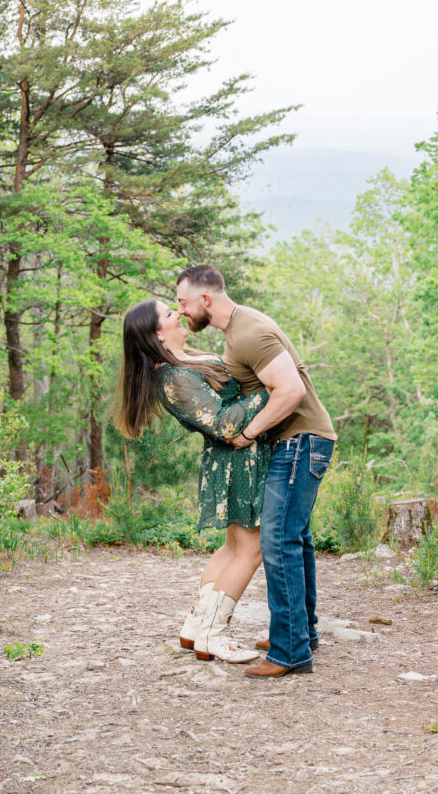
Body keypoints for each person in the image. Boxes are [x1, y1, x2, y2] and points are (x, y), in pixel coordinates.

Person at [176, 265, 336, 679]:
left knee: (278, 541)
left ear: (205, 300)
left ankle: (290, 653)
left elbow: (292, 390)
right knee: (295, 540)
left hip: (300, 442)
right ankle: (301, 632)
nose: (181, 312)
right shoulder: (236, 330)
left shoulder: (249, 333)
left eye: (183, 302)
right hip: (300, 442)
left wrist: (248, 432)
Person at [114, 298, 272, 664]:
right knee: (251, 549)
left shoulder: (183, 360)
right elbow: (224, 423)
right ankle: (213, 636)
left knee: (234, 547)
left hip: (238, 460)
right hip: (235, 461)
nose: (179, 314)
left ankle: (197, 626)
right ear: (157, 333)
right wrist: (271, 390)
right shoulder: (171, 376)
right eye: (170, 314)